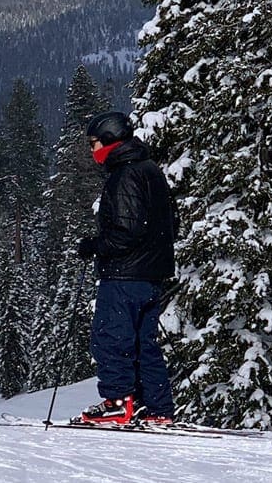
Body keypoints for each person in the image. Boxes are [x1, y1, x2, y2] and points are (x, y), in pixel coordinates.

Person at [77, 111, 176, 425]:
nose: (92, 151)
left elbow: (126, 232)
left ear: (109, 140)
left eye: (94, 144)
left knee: (111, 338)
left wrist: (93, 246)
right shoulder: (150, 171)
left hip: (125, 274)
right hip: (152, 274)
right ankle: (156, 409)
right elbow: (171, 221)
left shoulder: (125, 176)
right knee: (144, 344)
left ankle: (119, 403)